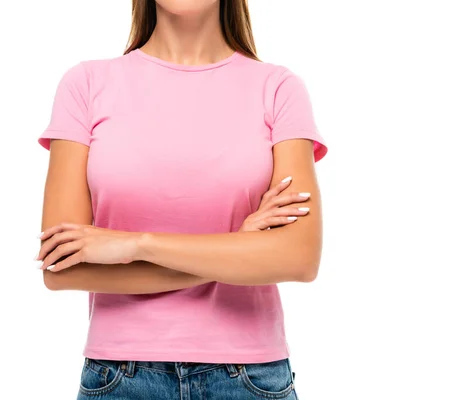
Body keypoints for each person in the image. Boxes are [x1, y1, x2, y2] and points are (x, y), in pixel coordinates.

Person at [34, 1, 328, 398]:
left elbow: (298, 258)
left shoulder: (278, 88)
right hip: (120, 377)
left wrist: (136, 244)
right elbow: (61, 266)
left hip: (251, 378)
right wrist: (238, 248)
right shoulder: (85, 84)